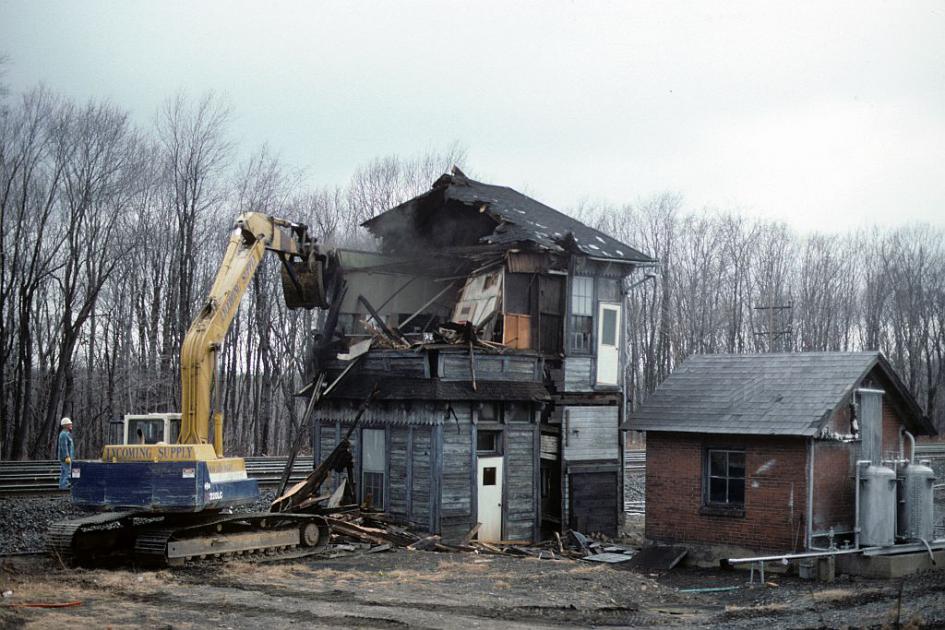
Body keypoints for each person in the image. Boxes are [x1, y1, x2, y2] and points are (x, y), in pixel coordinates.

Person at [58, 417, 75, 490]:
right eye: (69, 424)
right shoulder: (64, 435)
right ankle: (64, 488)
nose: (71, 425)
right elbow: (64, 446)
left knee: (64, 473)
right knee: (67, 473)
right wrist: (67, 456)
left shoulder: (66, 434)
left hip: (67, 458)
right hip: (66, 458)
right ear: (66, 425)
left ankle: (62, 487)